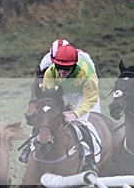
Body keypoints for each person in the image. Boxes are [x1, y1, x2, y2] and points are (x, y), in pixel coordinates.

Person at [41, 43, 101, 172]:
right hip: (65, 91)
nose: (62, 71)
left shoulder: (87, 74)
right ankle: (30, 147)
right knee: (46, 118)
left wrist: (76, 113)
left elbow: (90, 99)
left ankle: (90, 158)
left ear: (74, 66)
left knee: (81, 123)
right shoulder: (50, 72)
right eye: (59, 67)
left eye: (66, 68)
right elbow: (48, 97)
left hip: (84, 94)